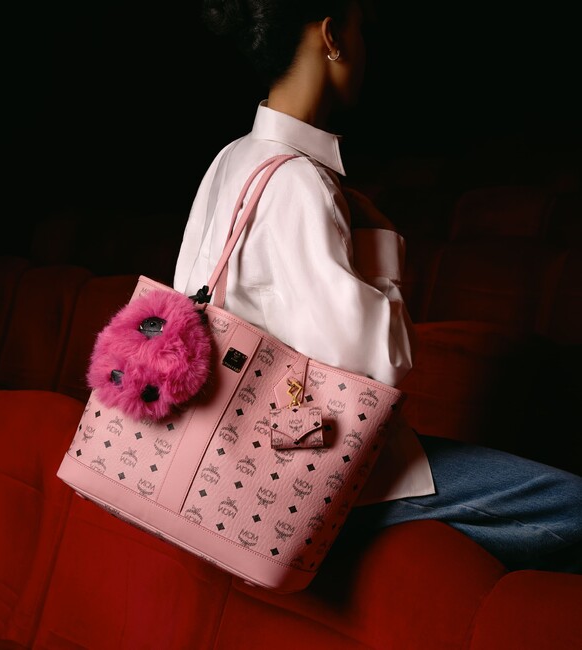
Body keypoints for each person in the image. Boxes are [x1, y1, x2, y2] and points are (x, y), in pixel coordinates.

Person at [173, 0, 582, 573]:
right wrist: (384, 245)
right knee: (572, 507)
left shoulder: (229, 158)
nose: (367, 47)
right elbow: (378, 372)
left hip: (227, 454)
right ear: (332, 37)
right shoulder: (299, 180)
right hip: (309, 468)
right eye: (361, 28)